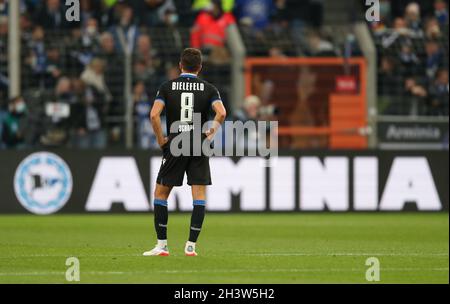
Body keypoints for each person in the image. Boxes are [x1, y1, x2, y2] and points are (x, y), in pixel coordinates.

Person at [143, 48, 226, 257]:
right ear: (199, 67)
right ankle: (191, 246)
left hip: (176, 142)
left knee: (161, 194)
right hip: (199, 142)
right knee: (198, 195)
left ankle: (162, 245)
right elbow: (222, 112)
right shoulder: (209, 88)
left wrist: (161, 139)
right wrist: (210, 133)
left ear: (180, 65)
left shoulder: (167, 87)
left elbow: (154, 115)